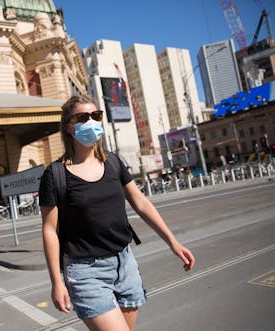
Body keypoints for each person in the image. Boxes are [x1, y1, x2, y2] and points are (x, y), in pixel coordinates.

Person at [39, 95, 195, 331]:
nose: (91, 121)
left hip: (125, 263)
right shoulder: (55, 174)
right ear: (68, 127)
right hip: (86, 272)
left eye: (96, 116)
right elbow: (50, 230)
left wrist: (173, 242)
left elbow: (141, 203)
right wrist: (56, 282)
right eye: (83, 117)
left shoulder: (112, 162)